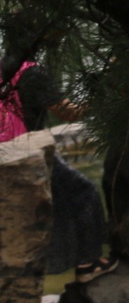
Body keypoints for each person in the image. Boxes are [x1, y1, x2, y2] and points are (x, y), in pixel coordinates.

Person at [1, 54, 115, 282]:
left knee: (59, 202)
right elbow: (72, 113)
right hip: (23, 153)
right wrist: (101, 81)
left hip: (8, 151)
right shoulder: (32, 73)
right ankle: (88, 263)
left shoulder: (5, 66)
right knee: (84, 193)